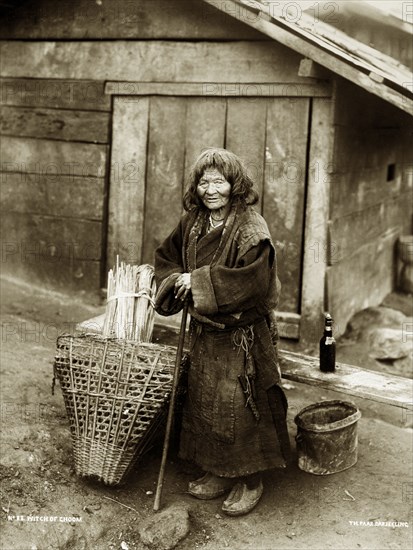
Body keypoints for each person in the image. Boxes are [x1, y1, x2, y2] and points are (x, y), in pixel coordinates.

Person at [154, 148, 290, 517]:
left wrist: (195, 282)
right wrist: (174, 281)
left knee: (243, 408)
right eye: (204, 181)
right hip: (206, 333)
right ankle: (218, 470)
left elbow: (254, 283)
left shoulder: (250, 228)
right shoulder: (193, 222)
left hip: (241, 334)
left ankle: (250, 480)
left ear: (234, 184)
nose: (210, 189)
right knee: (207, 404)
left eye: (219, 181)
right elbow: (166, 257)